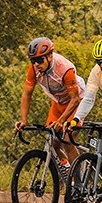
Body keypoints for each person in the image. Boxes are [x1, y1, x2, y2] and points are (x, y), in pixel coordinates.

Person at [16, 37, 83, 172]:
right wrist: (23, 120)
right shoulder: (34, 69)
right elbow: (27, 94)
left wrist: (61, 121)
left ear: (50, 56)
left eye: (40, 60)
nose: (36, 64)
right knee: (52, 141)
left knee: (67, 141)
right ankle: (67, 168)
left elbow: (75, 99)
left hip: (76, 102)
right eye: (33, 60)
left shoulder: (65, 69)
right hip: (58, 102)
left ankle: (78, 183)